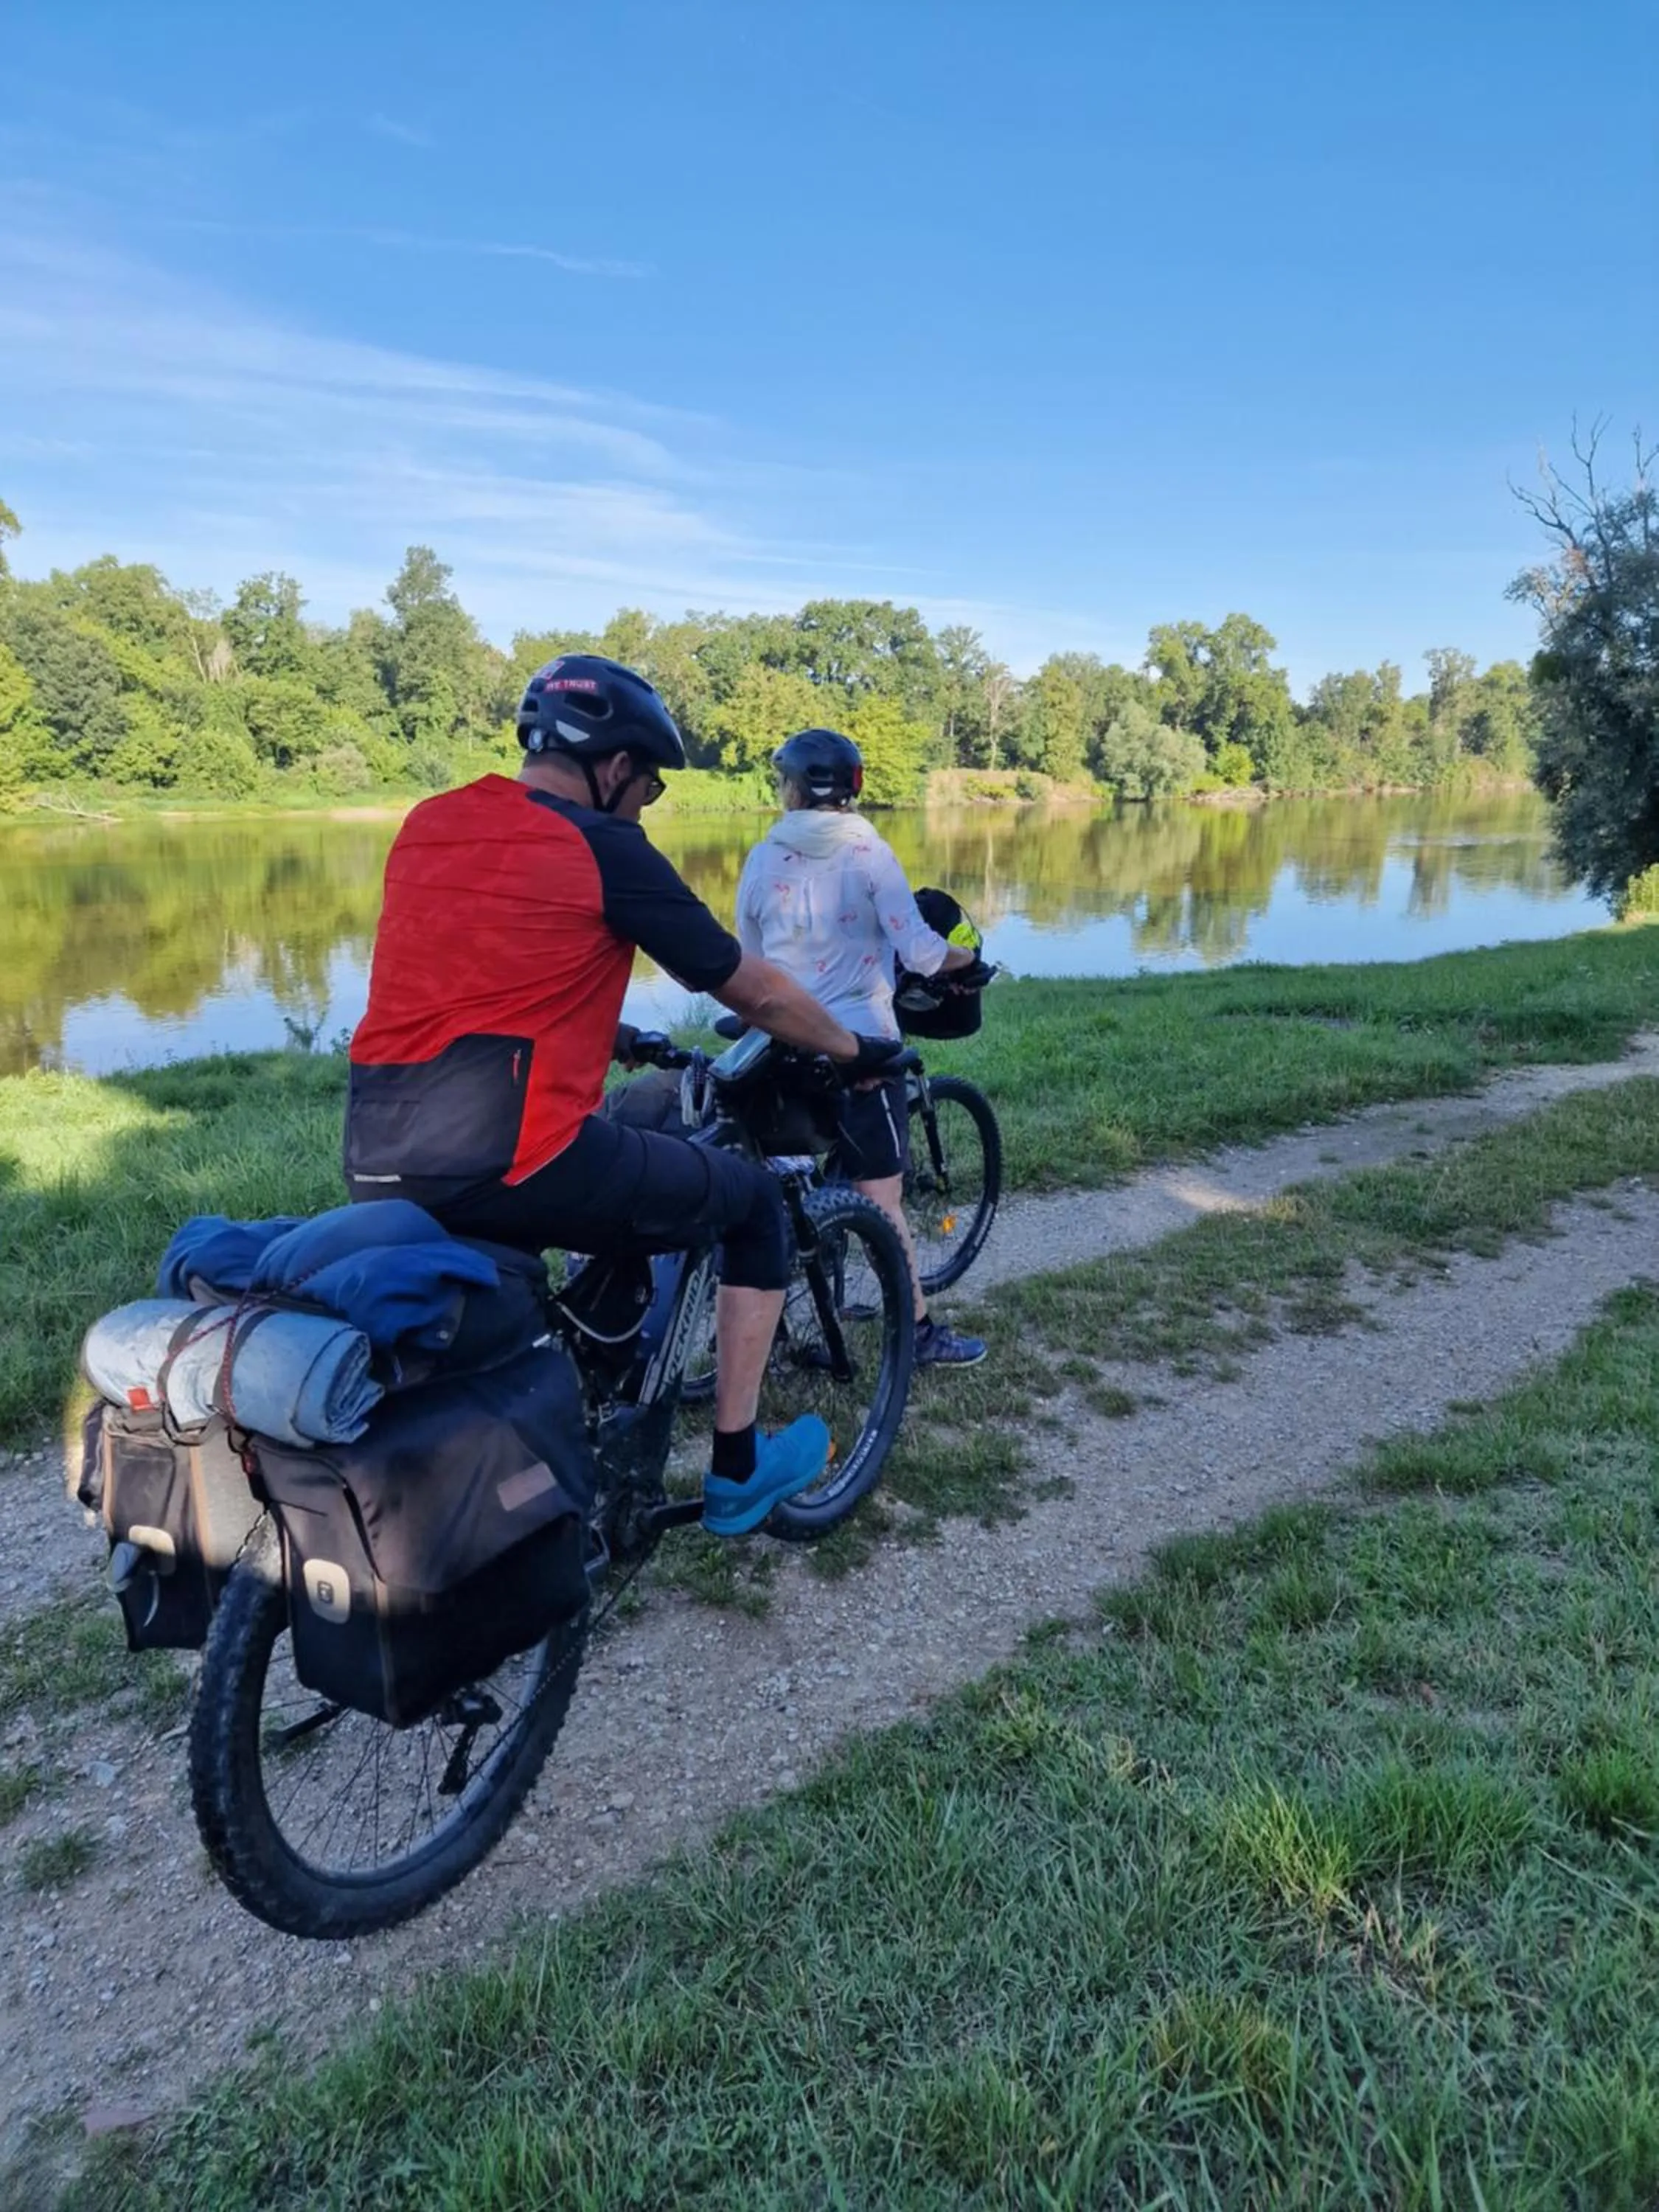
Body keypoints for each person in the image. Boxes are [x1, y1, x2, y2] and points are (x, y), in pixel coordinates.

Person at [343, 656, 902, 1537]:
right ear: (610, 767)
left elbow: (470, 988)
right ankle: (736, 1471)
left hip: (375, 1151)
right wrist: (856, 1045)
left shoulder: (431, 825)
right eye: (647, 783)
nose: (646, 801)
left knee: (621, 1187)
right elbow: (749, 988)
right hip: (513, 1157)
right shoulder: (604, 847)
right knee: (751, 1202)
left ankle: (582, 1403)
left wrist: (620, 1038)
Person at [735, 727, 987, 1366]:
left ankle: (828, 1298)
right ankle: (922, 1335)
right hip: (858, 1048)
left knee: (802, 1170)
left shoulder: (763, 857)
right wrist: (967, 959)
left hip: (784, 1043)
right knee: (884, 1198)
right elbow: (921, 952)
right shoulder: (868, 852)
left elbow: (750, 958)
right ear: (854, 788)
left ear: (789, 788)